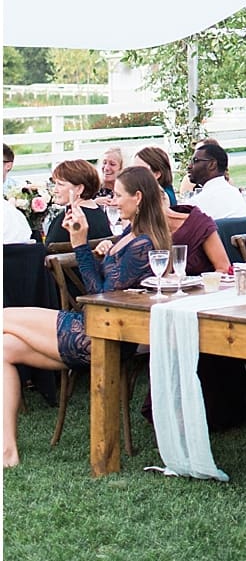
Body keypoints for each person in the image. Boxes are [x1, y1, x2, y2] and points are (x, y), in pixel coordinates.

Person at [2, 165, 171, 466]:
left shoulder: (142, 243)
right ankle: (7, 451)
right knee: (3, 349)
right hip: (96, 331)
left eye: (119, 196)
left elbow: (100, 297)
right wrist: (106, 249)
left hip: (95, 335)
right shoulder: (134, 234)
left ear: (138, 197)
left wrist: (81, 244)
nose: (113, 200)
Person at [45, 160, 112, 243]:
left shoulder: (69, 219)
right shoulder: (100, 214)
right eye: (55, 184)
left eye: (60, 184)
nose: (55, 190)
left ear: (79, 189)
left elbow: (49, 251)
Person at [185, 140, 246, 217]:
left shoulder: (196, 204)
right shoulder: (236, 195)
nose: (189, 166)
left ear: (212, 164)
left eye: (195, 161)